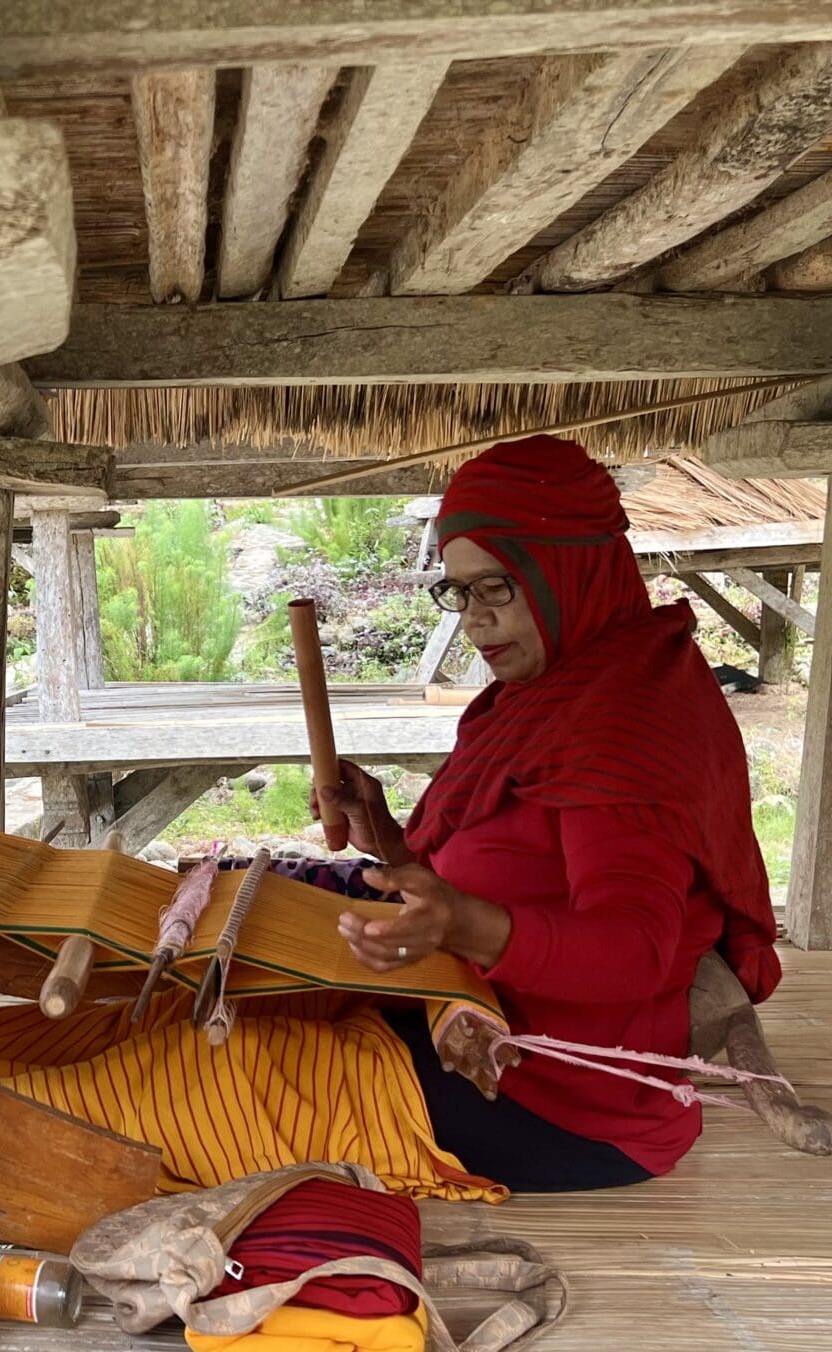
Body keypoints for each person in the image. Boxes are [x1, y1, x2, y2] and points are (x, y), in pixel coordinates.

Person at [316, 435, 781, 1191]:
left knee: (202, 1083)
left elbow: (637, 947)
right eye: (459, 592)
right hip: (473, 1021)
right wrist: (387, 838)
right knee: (235, 1018)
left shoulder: (622, 724)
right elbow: (504, 872)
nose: (472, 619)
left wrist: (460, 925)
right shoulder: (548, 695)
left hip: (561, 1105)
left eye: (497, 587)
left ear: (568, 569)